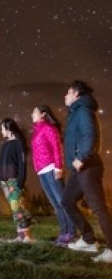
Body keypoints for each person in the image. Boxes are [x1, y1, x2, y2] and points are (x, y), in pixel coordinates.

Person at [61, 80, 112, 263]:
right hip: (78, 168)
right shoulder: (75, 113)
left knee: (98, 207)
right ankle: (89, 240)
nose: (65, 96)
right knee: (67, 201)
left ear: (76, 93)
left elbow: (89, 135)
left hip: (87, 166)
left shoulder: (82, 111)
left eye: (67, 92)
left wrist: (81, 157)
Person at [31, 105, 75, 247]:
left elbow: (57, 148)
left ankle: (71, 232)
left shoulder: (49, 128)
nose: (32, 114)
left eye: (35, 112)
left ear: (43, 114)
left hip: (51, 168)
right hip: (41, 171)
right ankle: (63, 232)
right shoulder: (36, 130)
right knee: (56, 205)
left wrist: (58, 167)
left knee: (62, 202)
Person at [0, 118, 32, 242]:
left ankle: (26, 235)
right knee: (14, 208)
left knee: (17, 206)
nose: (1, 131)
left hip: (14, 180)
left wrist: (21, 180)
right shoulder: (4, 145)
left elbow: (22, 163)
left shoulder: (18, 143)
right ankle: (20, 234)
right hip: (4, 182)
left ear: (8, 128)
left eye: (2, 128)